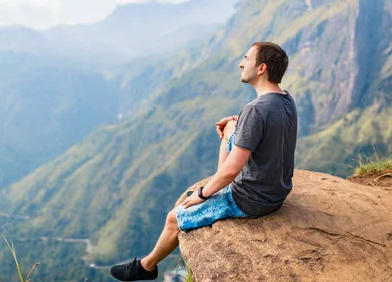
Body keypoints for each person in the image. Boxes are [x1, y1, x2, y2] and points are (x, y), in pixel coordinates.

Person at [110, 42, 298, 281]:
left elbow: (232, 170)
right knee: (230, 127)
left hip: (250, 200)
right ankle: (216, 185)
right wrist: (233, 120)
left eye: (246, 58)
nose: (241, 63)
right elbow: (265, 121)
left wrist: (203, 194)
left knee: (173, 218)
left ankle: (147, 267)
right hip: (277, 190)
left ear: (261, 68)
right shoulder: (285, 99)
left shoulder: (256, 110)